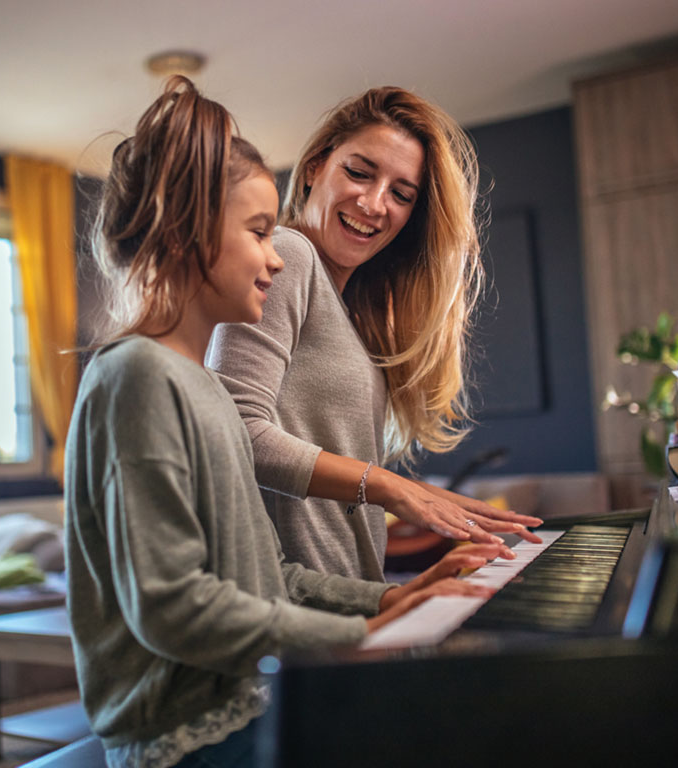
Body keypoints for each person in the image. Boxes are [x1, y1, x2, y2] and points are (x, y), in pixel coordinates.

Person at [64, 77, 509, 768]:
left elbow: (268, 575)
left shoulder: (199, 390)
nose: (277, 253)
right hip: (191, 735)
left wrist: (387, 599)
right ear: (188, 234)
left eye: (274, 232)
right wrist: (350, 635)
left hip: (249, 699)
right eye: (259, 232)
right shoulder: (135, 378)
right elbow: (172, 607)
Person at [208, 86, 543, 582]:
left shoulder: (348, 308)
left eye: (401, 194)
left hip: (345, 594)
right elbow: (235, 430)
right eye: (359, 173)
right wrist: (387, 486)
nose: (373, 202)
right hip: (292, 603)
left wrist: (437, 501)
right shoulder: (288, 256)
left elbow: (327, 461)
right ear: (318, 165)